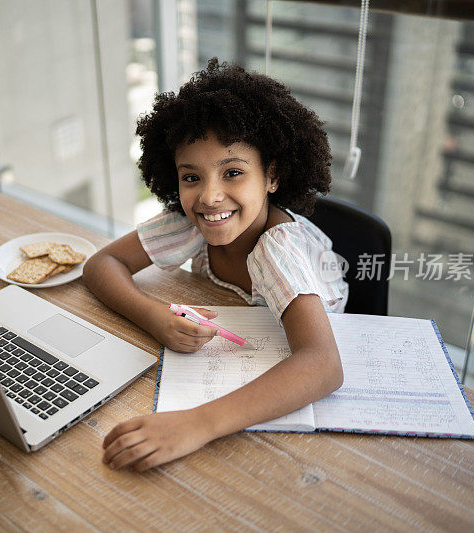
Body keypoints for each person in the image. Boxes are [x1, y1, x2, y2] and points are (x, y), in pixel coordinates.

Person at [82, 58, 348, 472]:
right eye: (191, 177)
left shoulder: (277, 252)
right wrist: (153, 316)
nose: (209, 196)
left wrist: (196, 424)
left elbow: (323, 364)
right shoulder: (193, 222)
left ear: (272, 176)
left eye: (233, 173)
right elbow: (102, 263)